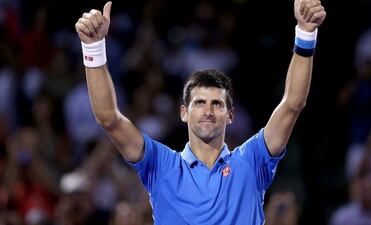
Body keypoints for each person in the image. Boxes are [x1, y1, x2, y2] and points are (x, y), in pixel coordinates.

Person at [74, 0, 326, 224]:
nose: (208, 111)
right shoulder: (161, 165)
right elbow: (108, 118)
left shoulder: (252, 160)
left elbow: (292, 104)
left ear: (230, 115)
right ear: (183, 112)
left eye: (217, 104)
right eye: (199, 103)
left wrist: (305, 32)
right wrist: (93, 48)